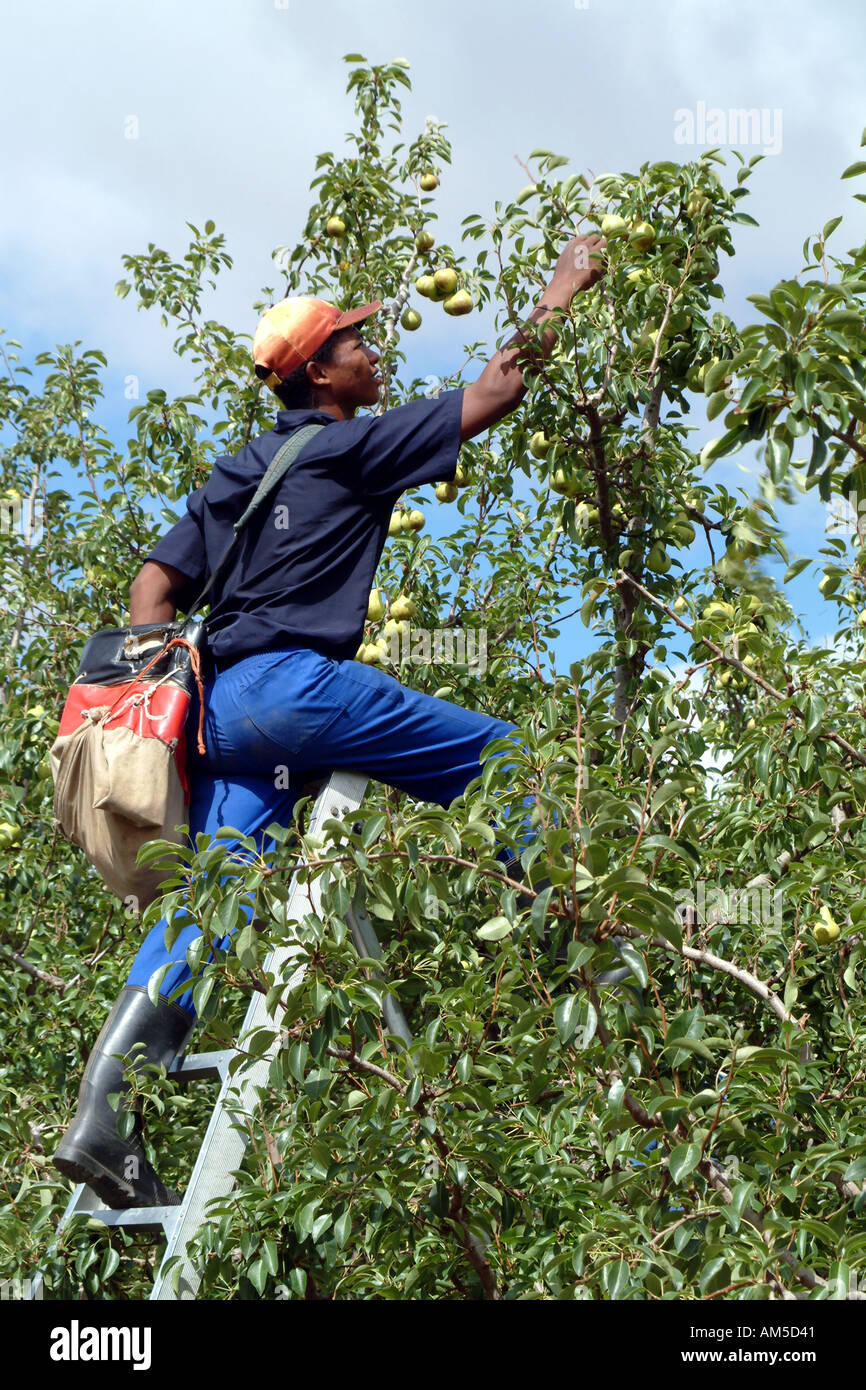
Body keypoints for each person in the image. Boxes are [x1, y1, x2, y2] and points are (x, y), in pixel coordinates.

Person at [53, 233, 605, 1207]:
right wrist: (563, 287)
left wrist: (165, 678)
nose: (373, 353)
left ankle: (105, 1115)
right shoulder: (351, 445)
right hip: (293, 691)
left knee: (206, 904)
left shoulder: (242, 469)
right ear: (318, 371)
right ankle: (565, 936)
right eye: (355, 344)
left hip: (219, 717)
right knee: (511, 758)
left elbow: (152, 583)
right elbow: (494, 391)